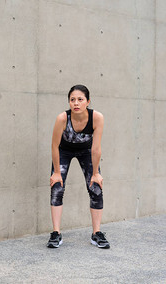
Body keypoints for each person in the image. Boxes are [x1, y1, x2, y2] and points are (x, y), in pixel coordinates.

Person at [47, 85, 110, 249]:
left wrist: (96, 173)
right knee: (57, 187)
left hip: (86, 151)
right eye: (72, 100)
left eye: (80, 99)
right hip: (64, 151)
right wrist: (56, 172)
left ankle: (96, 233)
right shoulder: (62, 118)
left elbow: (96, 149)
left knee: (96, 187)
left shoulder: (97, 118)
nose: (76, 103)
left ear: (88, 101)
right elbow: (54, 146)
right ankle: (56, 233)